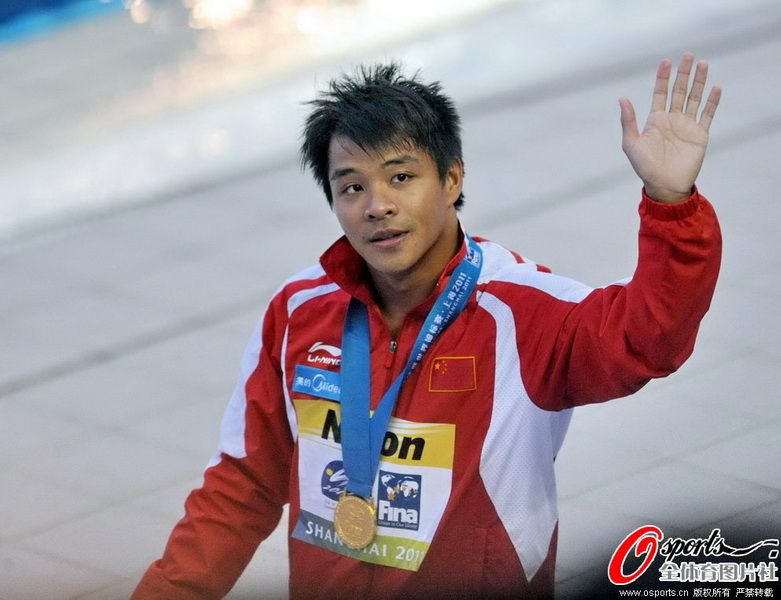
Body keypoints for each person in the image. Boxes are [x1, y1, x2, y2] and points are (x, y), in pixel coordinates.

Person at [132, 54, 722, 599]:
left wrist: (671, 204)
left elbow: (647, 338)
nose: (377, 205)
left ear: (452, 179)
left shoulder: (520, 312)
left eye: (400, 177)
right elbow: (243, 486)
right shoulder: (298, 311)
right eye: (352, 186)